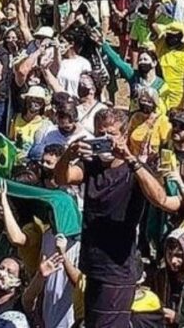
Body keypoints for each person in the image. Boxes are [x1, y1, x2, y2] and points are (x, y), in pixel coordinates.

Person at [54, 108, 173, 328]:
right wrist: (68, 155)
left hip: (118, 268)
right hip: (92, 264)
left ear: (124, 135)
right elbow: (63, 177)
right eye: (100, 134)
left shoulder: (133, 169)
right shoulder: (92, 166)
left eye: (111, 134)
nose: (105, 140)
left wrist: (129, 158)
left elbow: (160, 198)